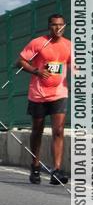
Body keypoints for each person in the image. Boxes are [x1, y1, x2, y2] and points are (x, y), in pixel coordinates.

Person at [17, 14, 71, 185]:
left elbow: (72, 65)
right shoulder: (38, 42)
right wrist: (36, 71)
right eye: (55, 25)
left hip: (59, 93)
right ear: (49, 26)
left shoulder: (69, 45)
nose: (58, 28)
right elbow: (21, 62)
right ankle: (35, 165)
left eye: (61, 25)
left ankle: (56, 170)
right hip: (38, 94)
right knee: (37, 131)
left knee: (59, 130)